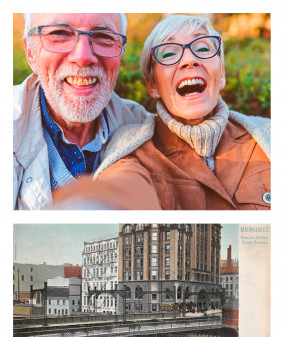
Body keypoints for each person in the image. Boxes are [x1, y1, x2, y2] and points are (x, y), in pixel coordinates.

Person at [54, 14, 270, 210]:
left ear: (221, 74)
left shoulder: (268, 135)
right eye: (169, 53)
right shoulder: (133, 150)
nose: (189, 60)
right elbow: (122, 188)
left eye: (203, 49)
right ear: (153, 85)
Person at [13, 13, 153, 210]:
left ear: (121, 52)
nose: (83, 57)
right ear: (30, 51)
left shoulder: (142, 127)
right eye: (59, 33)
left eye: (103, 36)